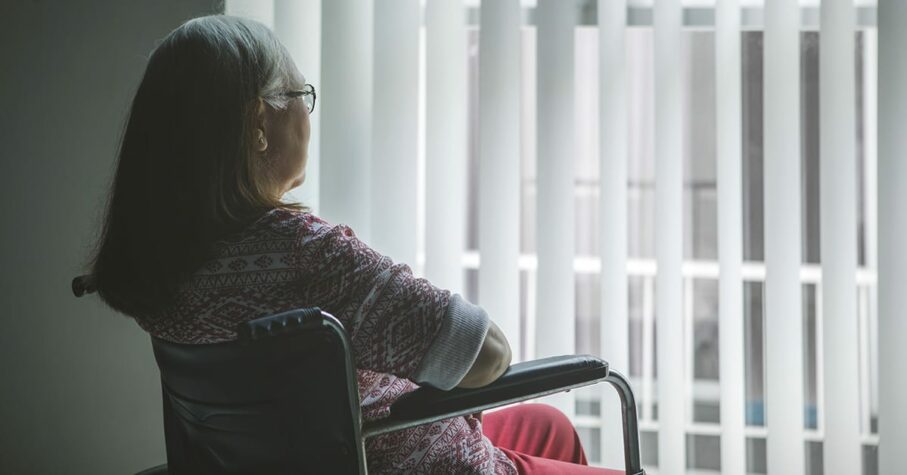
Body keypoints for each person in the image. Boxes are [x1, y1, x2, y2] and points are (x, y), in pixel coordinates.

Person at [87, 14, 620, 474]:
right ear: (258, 125)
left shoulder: (163, 264)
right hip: (408, 464)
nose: (306, 114)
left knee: (547, 425)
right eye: (300, 96)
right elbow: (486, 354)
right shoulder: (309, 257)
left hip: (335, 453)